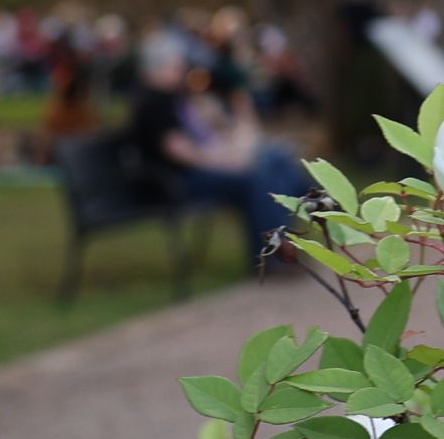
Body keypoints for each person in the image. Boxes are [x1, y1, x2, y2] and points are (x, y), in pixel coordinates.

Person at [122, 41, 316, 271]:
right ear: (155, 70)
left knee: (277, 163)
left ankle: (291, 242)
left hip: (197, 171)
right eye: (175, 67)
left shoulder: (173, 98)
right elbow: (177, 149)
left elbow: (204, 133)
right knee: (257, 180)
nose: (181, 71)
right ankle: (276, 254)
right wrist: (223, 163)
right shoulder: (152, 102)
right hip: (177, 182)